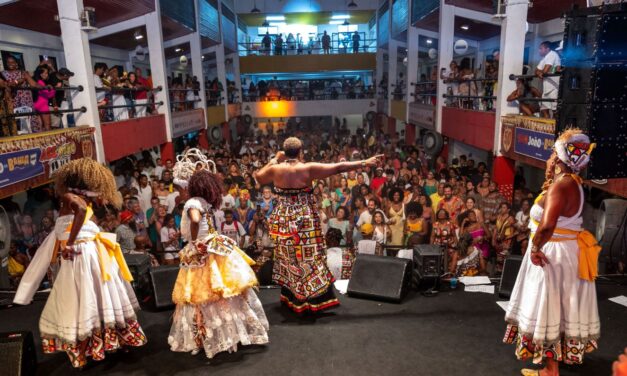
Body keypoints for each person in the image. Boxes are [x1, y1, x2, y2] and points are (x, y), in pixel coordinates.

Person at [14, 158, 147, 368]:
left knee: (81, 300)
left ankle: (94, 347)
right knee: (99, 297)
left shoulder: (70, 197)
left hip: (81, 254)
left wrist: (70, 242)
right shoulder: (88, 199)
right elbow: (86, 217)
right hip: (90, 253)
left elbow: (81, 214)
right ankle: (112, 342)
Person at [504, 129, 601, 376]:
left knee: (549, 309)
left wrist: (535, 248)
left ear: (559, 159)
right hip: (565, 252)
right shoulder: (575, 184)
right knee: (560, 307)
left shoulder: (561, 185)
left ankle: (550, 371)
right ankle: (554, 363)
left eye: (550, 155)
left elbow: (547, 225)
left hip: (553, 255)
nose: (548, 160)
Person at [254, 137, 382, 314]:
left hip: (284, 221)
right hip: (304, 220)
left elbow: (258, 177)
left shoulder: (275, 168)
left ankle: (292, 298)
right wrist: (364, 162)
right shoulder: (308, 168)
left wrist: (275, 159)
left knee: (290, 259)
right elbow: (339, 167)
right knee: (310, 259)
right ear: (300, 151)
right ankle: (312, 299)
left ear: (284, 152)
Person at [168, 149, 269, 358]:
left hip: (201, 251)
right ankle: (230, 333)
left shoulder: (192, 203)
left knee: (201, 294)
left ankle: (210, 336)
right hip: (213, 246)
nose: (179, 191)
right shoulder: (204, 201)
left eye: (179, 188)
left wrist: (194, 240)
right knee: (224, 292)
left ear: (187, 187)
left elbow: (195, 220)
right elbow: (198, 222)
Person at [536, 41, 561, 118]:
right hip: (547, 87)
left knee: (555, 110)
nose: (539, 50)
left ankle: (556, 128)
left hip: (554, 87)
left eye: (541, 48)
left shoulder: (552, 55)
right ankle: (547, 127)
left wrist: (540, 73)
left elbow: (545, 71)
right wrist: (539, 73)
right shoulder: (545, 58)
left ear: (547, 49)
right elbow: (536, 70)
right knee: (544, 108)